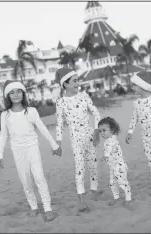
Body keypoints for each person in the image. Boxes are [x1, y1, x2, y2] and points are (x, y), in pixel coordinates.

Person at [0, 80, 62, 222]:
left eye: (18, 91)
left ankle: (48, 208)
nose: (15, 95)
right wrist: (0, 154)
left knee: (39, 177)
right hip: (17, 151)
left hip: (32, 148)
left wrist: (54, 145)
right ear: (8, 96)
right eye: (12, 92)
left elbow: (42, 128)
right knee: (25, 181)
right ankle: (33, 206)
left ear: (23, 93)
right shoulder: (5, 115)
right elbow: (3, 135)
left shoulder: (31, 111)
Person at [55, 68, 101, 212]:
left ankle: (94, 190)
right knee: (80, 168)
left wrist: (96, 131)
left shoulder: (84, 96)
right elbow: (59, 124)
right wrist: (58, 143)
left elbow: (96, 113)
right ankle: (81, 199)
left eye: (77, 80)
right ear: (65, 84)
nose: (77, 83)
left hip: (90, 137)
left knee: (93, 165)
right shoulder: (61, 102)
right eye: (74, 81)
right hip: (76, 141)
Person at [98, 117, 132, 206]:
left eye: (104, 130)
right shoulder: (107, 141)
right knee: (112, 182)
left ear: (112, 130)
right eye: (100, 131)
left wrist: (106, 155)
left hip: (119, 165)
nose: (101, 133)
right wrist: (105, 156)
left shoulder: (112, 139)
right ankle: (116, 197)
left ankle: (128, 197)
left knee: (122, 181)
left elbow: (109, 148)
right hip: (112, 166)